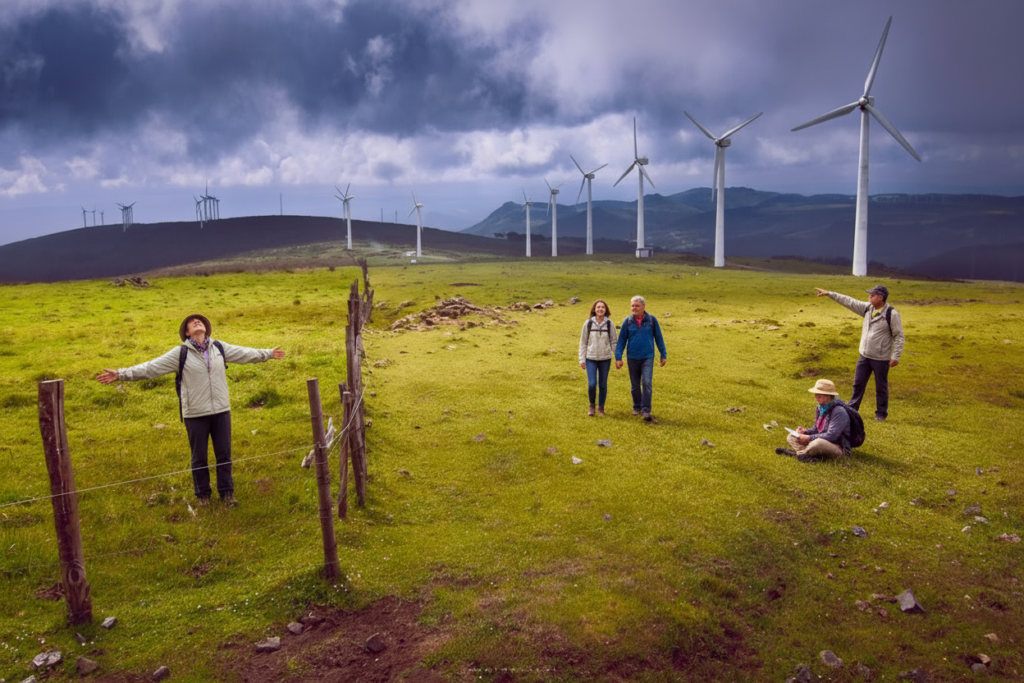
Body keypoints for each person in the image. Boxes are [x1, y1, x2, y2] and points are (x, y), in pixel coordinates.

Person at [96, 313, 285, 506]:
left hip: (221, 410)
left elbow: (245, 354)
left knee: (224, 455)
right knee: (199, 457)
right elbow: (151, 368)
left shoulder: (219, 347)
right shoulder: (180, 353)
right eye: (192, 322)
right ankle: (203, 496)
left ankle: (227, 494)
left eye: (200, 321)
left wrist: (268, 354)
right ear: (187, 332)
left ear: (205, 328)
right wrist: (120, 374)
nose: (198, 322)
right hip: (195, 413)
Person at [814, 284, 904, 421]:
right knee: (858, 384)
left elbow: (899, 336)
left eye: (872, 295)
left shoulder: (892, 314)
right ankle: (852, 409)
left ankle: (881, 414)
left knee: (881, 386)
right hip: (864, 355)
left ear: (881, 297)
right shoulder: (867, 308)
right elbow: (849, 301)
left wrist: (895, 356)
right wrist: (829, 293)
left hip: (881, 358)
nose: (869, 297)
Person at [614, 295, 667, 422]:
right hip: (632, 357)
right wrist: (618, 357)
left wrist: (663, 354)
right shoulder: (627, 321)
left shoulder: (651, 320)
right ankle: (636, 407)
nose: (634, 308)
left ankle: (646, 410)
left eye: (637, 306)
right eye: (632, 305)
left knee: (647, 382)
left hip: (647, 357)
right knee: (635, 385)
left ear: (643, 306)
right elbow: (621, 341)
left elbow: (659, 338)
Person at [776, 379, 851, 463]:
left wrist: (809, 438)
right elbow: (816, 428)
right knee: (791, 436)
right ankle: (803, 454)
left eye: (820, 394)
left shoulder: (839, 411)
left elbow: (832, 436)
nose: (816, 396)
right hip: (822, 440)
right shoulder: (820, 407)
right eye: (816, 393)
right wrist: (805, 432)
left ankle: (800, 454)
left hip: (838, 448)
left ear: (828, 395)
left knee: (817, 444)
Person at [578, 299, 616, 417]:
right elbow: (583, 342)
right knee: (592, 384)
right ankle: (591, 406)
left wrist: (618, 357)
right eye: (598, 307)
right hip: (591, 358)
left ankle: (601, 408)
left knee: (603, 384)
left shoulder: (609, 324)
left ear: (606, 310)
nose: (600, 309)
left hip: (605, 358)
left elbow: (614, 341)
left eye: (603, 307)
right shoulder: (588, 323)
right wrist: (582, 359)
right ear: (594, 309)